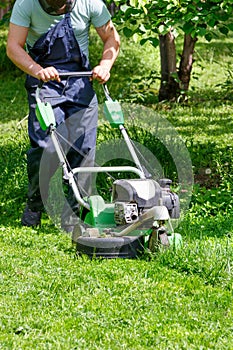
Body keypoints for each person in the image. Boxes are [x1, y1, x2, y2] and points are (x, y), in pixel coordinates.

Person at [6, 0, 120, 231]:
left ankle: (77, 210)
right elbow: (13, 47)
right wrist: (38, 70)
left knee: (84, 148)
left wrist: (105, 65)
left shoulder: (91, 3)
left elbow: (112, 39)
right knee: (45, 146)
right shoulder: (26, 4)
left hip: (81, 79)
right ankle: (36, 204)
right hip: (45, 82)